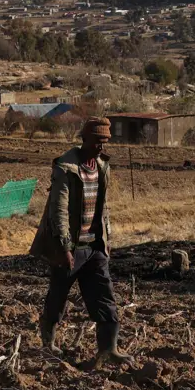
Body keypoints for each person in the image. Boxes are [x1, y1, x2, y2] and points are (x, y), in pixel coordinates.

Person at [30, 117, 126, 369]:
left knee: (105, 298)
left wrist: (106, 240)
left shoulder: (103, 166)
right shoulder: (66, 168)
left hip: (94, 247)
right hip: (71, 248)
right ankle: (48, 345)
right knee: (57, 297)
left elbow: (103, 208)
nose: (101, 147)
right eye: (97, 141)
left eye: (104, 142)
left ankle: (108, 350)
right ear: (84, 139)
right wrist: (64, 247)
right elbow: (58, 210)